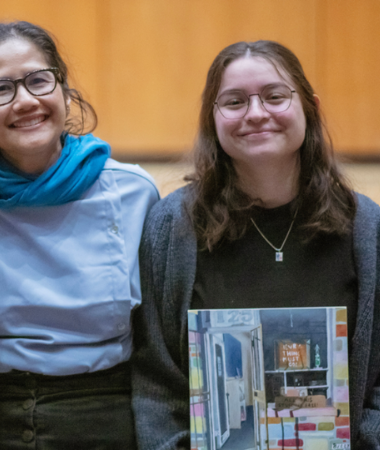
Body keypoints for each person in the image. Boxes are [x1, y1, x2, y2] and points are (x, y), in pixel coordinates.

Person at [132, 40, 380, 449]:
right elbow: (157, 382)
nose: (257, 113)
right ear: (212, 120)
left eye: (275, 96)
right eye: (234, 102)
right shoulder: (171, 227)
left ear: (310, 108)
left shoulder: (366, 229)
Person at [0, 21, 159, 449]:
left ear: (65, 92)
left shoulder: (133, 193)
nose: (26, 101)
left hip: (105, 414)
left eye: (38, 80)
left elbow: (160, 338)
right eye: (1, 89)